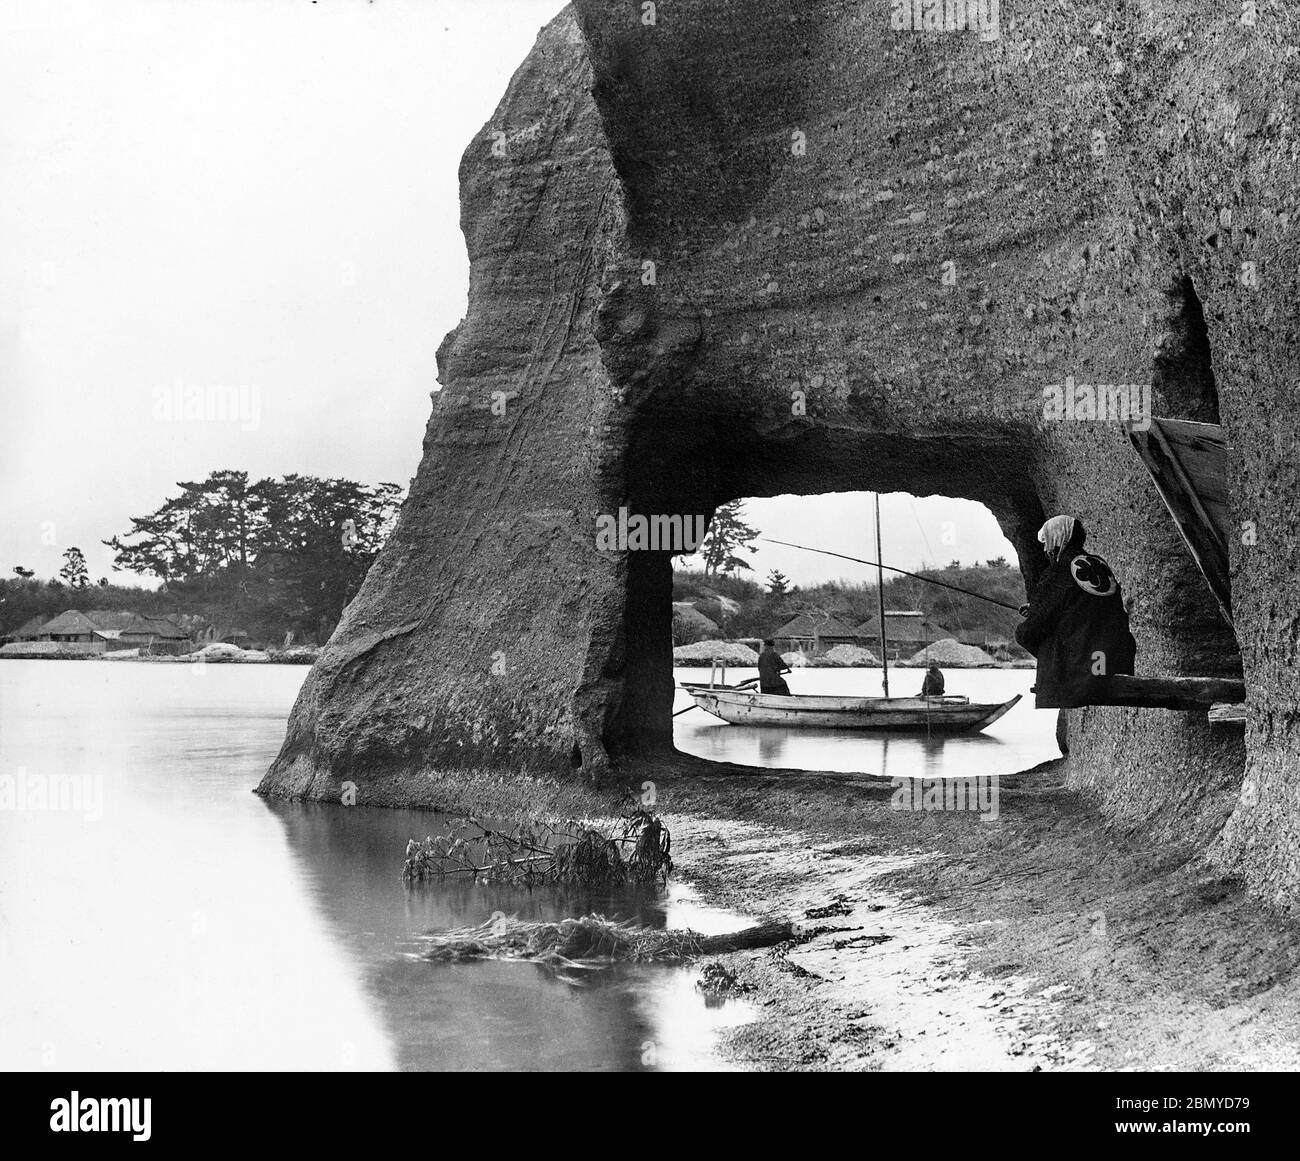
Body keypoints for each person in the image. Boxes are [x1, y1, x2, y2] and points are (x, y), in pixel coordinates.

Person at [1015, 515, 1136, 708]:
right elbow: (1086, 607)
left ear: (1057, 539)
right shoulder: (1098, 564)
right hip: (1111, 662)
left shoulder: (1058, 571)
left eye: (1047, 543)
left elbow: (1034, 628)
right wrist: (1038, 609)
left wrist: (1035, 615)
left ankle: (1062, 678)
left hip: (1084, 670)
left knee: (1023, 633)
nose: (1046, 550)